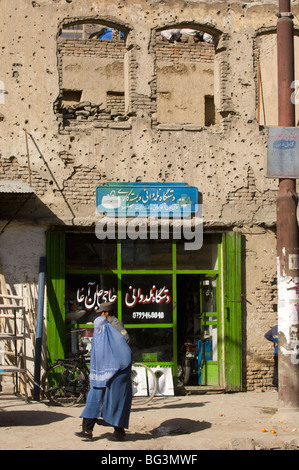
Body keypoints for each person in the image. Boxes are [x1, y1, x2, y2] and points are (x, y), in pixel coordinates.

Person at [75, 315, 133, 441]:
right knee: (93, 401)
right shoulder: (99, 338)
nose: (98, 331)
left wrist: (113, 370)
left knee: (116, 403)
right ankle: (87, 431)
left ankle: (119, 433)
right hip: (99, 377)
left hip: (117, 377)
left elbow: (125, 356)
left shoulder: (116, 338)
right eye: (96, 328)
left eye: (100, 328)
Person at [264, 325, 278, 391]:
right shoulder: (287, 327)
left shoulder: (275, 328)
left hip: (276, 352)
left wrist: (275, 341)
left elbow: (266, 335)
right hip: (286, 353)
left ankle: (275, 386)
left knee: (276, 369)